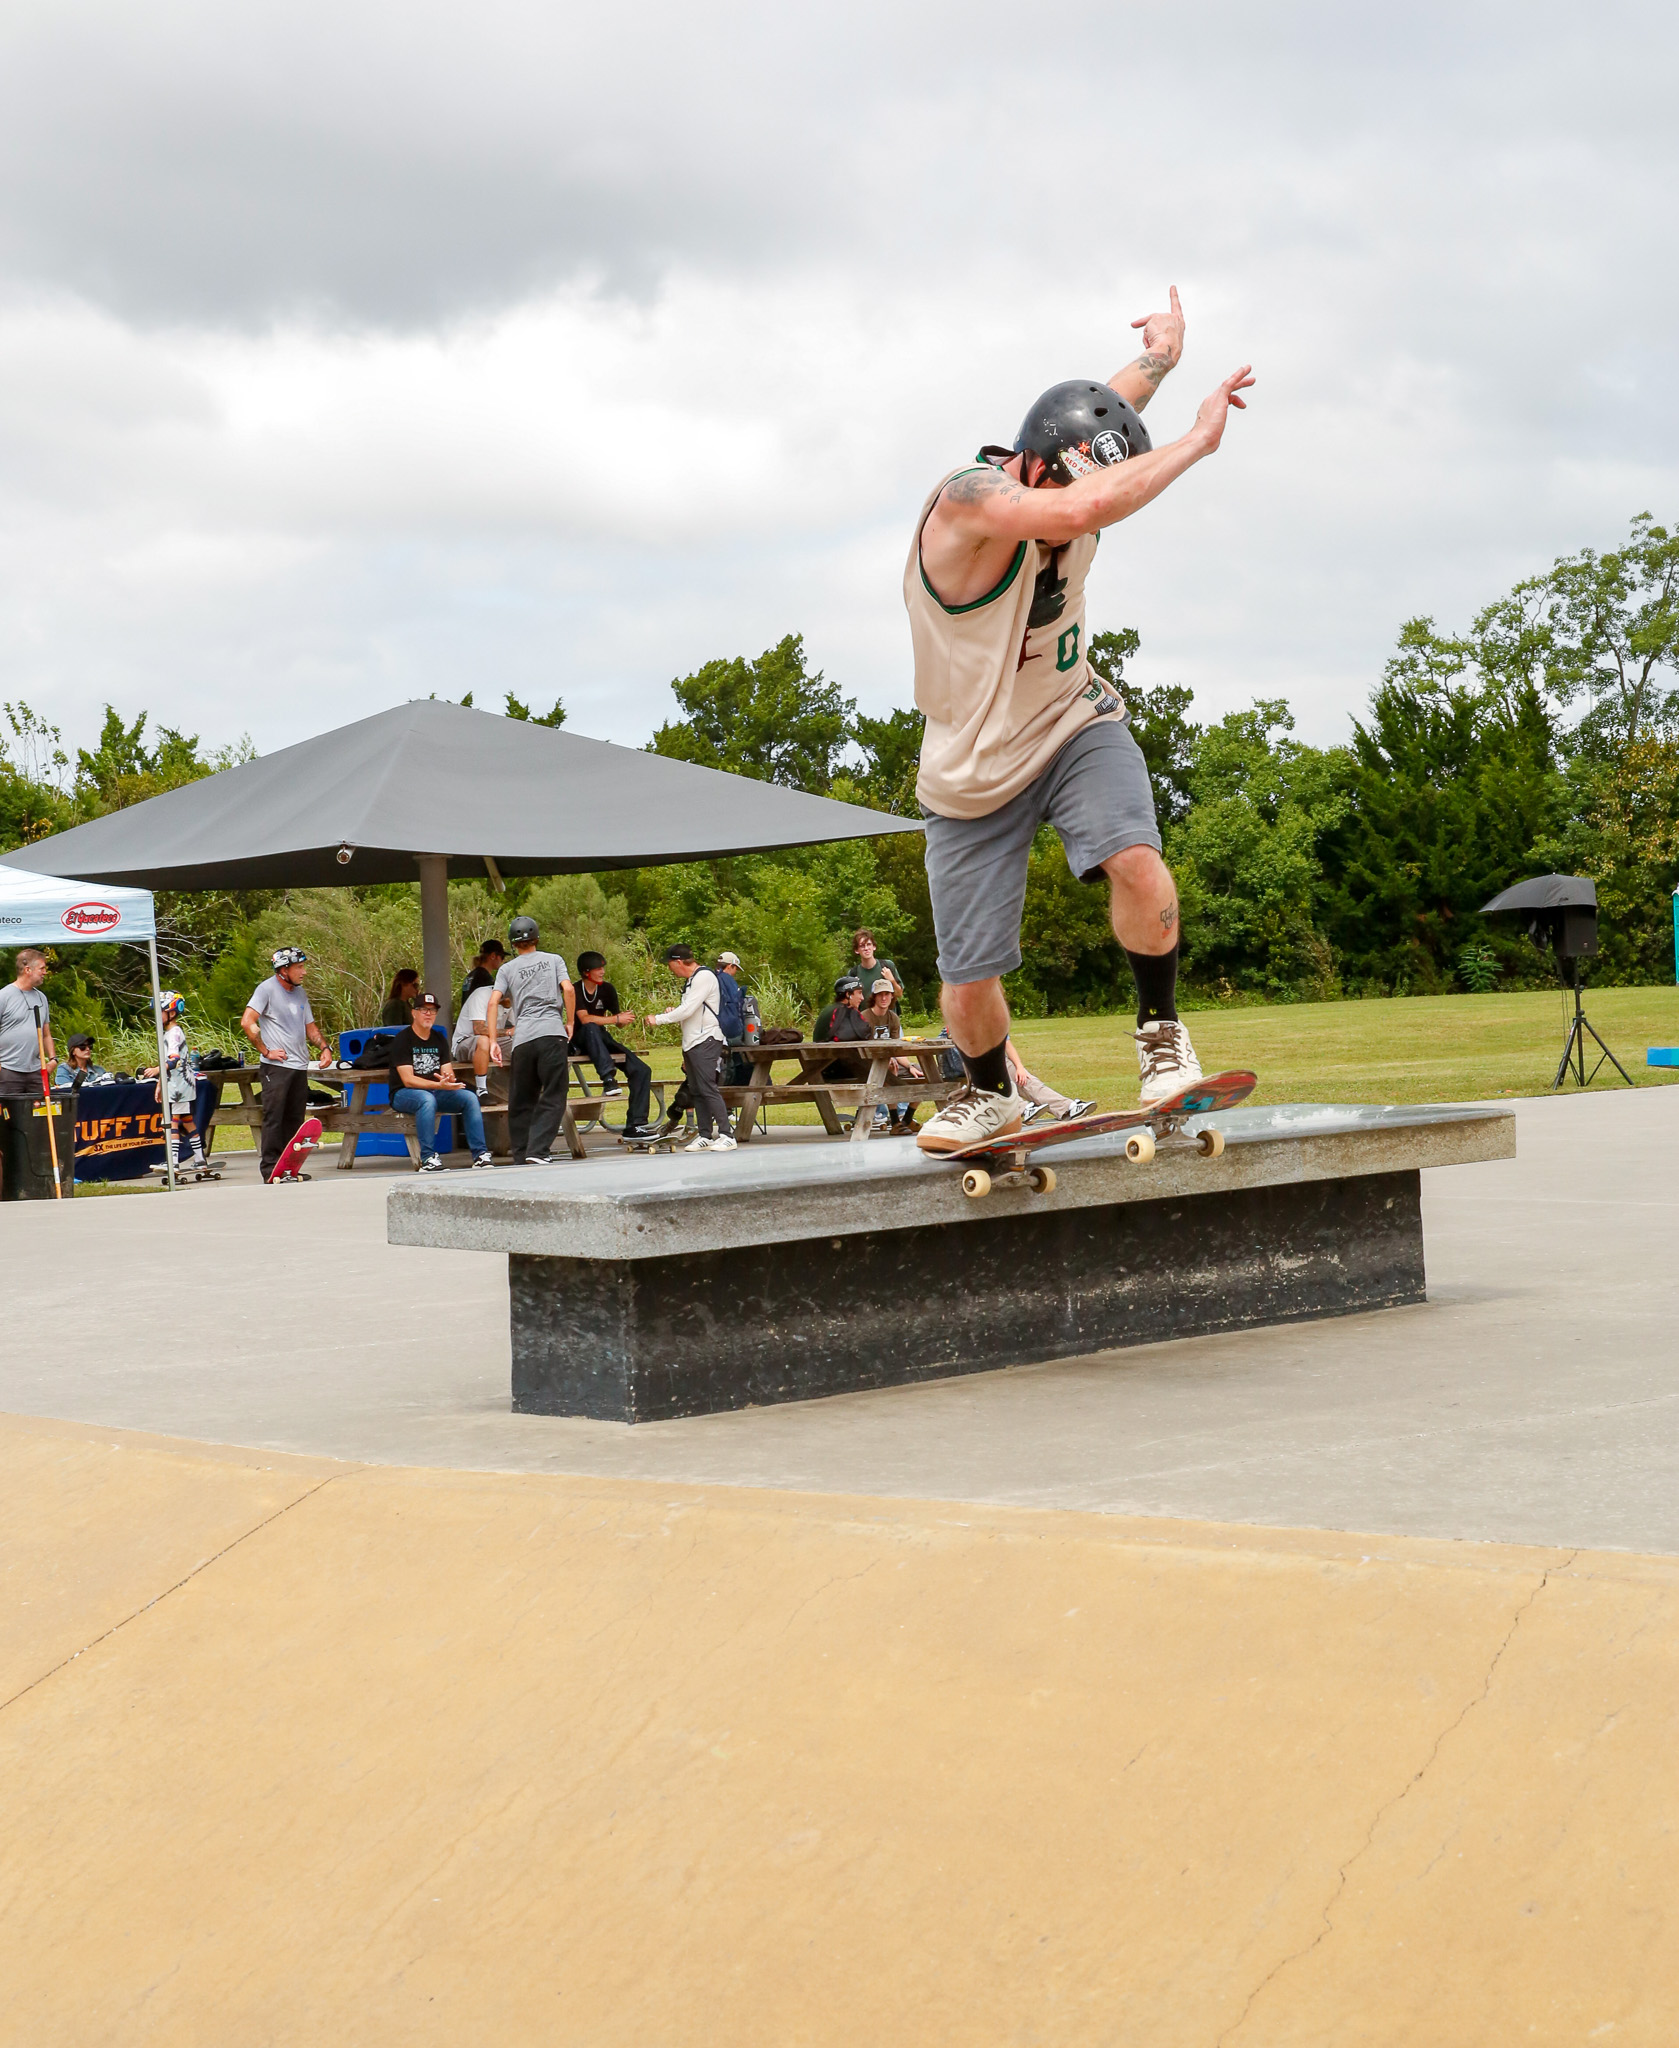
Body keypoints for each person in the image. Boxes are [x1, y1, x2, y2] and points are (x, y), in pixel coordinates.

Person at [904, 289, 1253, 1154]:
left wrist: (1162, 359)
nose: (1082, 520)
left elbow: (1101, 417)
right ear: (1030, 466)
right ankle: (989, 1093)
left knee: (1135, 860)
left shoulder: (1061, 456)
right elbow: (1072, 510)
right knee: (968, 977)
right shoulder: (969, 500)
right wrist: (1196, 444)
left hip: (1072, 720)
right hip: (972, 769)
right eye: (1068, 482)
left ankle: (1161, 1035)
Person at [242, 946, 333, 1182]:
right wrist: (265, 1050)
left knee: (295, 1119)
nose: (304, 972)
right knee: (275, 1117)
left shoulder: (300, 994)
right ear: (284, 969)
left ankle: (289, 1168)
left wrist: (324, 1048)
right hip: (276, 1067)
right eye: (299, 967)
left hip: (299, 1066)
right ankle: (270, 1169)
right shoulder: (266, 990)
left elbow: (310, 1028)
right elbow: (247, 1022)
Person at [491, 915, 574, 1164]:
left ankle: (521, 1153)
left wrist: (494, 1040)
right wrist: (569, 1022)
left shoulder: (507, 969)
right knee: (554, 1093)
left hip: (523, 1039)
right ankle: (538, 1151)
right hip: (551, 1033)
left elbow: (494, 1000)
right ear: (536, 937)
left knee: (521, 1098)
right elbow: (568, 989)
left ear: (513, 944)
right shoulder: (553, 960)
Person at [387, 991, 493, 1172]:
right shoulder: (403, 1039)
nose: (428, 1014)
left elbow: (447, 1072)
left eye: (432, 1010)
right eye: (423, 1010)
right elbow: (408, 1080)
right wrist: (438, 1085)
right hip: (404, 1094)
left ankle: (480, 1155)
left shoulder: (439, 1038)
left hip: (435, 1091)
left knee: (469, 1098)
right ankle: (428, 1158)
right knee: (426, 1100)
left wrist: (449, 1081)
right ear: (414, 1013)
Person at [645, 943, 733, 1151]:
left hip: (707, 1039)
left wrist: (658, 1019)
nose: (669, 969)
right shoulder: (692, 980)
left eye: (669, 964)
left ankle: (727, 1134)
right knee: (697, 1090)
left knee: (708, 1087)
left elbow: (688, 1010)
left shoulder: (703, 977)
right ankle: (705, 1135)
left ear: (677, 962)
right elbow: (689, 1011)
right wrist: (674, 1011)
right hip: (692, 1042)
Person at [572, 952, 657, 1136]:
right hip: (579, 1039)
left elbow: (615, 1022)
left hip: (600, 1038)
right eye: (598, 968)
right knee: (591, 1028)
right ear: (587, 972)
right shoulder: (575, 990)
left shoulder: (607, 989)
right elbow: (584, 1019)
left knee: (642, 1070)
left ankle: (636, 1124)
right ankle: (608, 1079)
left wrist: (622, 1020)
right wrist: (615, 1018)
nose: (603, 972)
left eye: (603, 968)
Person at [147, 991, 209, 1175]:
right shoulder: (170, 1032)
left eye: (160, 1011)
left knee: (172, 1121)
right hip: (178, 1083)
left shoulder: (173, 1033)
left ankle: (173, 1162)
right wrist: (160, 1082)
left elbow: (174, 1060)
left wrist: (157, 1070)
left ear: (171, 1013)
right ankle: (199, 1159)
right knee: (187, 1120)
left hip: (180, 1085)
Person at [864, 977, 918, 1134]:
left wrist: (909, 1065)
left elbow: (897, 1049)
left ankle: (907, 1120)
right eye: (880, 994)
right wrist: (887, 1060)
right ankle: (895, 1122)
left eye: (887, 994)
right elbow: (865, 1051)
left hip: (891, 1060)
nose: (884, 998)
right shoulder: (865, 1017)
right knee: (888, 1072)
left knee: (924, 1072)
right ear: (874, 996)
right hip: (871, 1065)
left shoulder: (893, 1018)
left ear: (892, 997)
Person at [0, 948, 53, 1103]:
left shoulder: (41, 998)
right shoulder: (4, 996)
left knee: (38, 1117)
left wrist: (53, 1059)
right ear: (27, 970)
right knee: (7, 1120)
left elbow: (46, 1034)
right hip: (8, 1070)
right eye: (42, 968)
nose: (45, 972)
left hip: (37, 1070)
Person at [450, 964, 510, 1098]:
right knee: (483, 1040)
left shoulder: (513, 1000)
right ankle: (481, 1091)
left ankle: (526, 1087)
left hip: (494, 1045)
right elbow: (478, 1029)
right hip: (465, 1043)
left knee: (523, 1043)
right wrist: (507, 1032)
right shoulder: (482, 994)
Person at [1005, 1038, 1095, 1125]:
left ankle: (1068, 1109)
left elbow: (1006, 1043)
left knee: (1027, 1081)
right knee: (999, 1085)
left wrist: (1019, 1067)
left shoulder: (995, 1024)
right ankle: (1025, 1110)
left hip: (998, 1060)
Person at [813, 975, 872, 1083]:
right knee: (878, 1074)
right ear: (848, 994)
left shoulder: (828, 1010)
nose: (862, 998)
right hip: (836, 1071)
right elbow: (863, 1034)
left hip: (820, 1069)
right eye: (859, 993)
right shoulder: (844, 1012)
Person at [852, 930, 903, 1004]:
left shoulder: (887, 966)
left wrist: (892, 980)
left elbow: (899, 994)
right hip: (865, 1015)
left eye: (869, 944)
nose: (866, 948)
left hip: (888, 1015)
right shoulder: (854, 973)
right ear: (856, 950)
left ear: (874, 947)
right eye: (862, 946)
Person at [459, 939, 506, 1013]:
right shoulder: (484, 978)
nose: (502, 961)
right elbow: (490, 1001)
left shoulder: (471, 975)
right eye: (502, 957)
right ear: (493, 956)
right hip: (477, 1019)